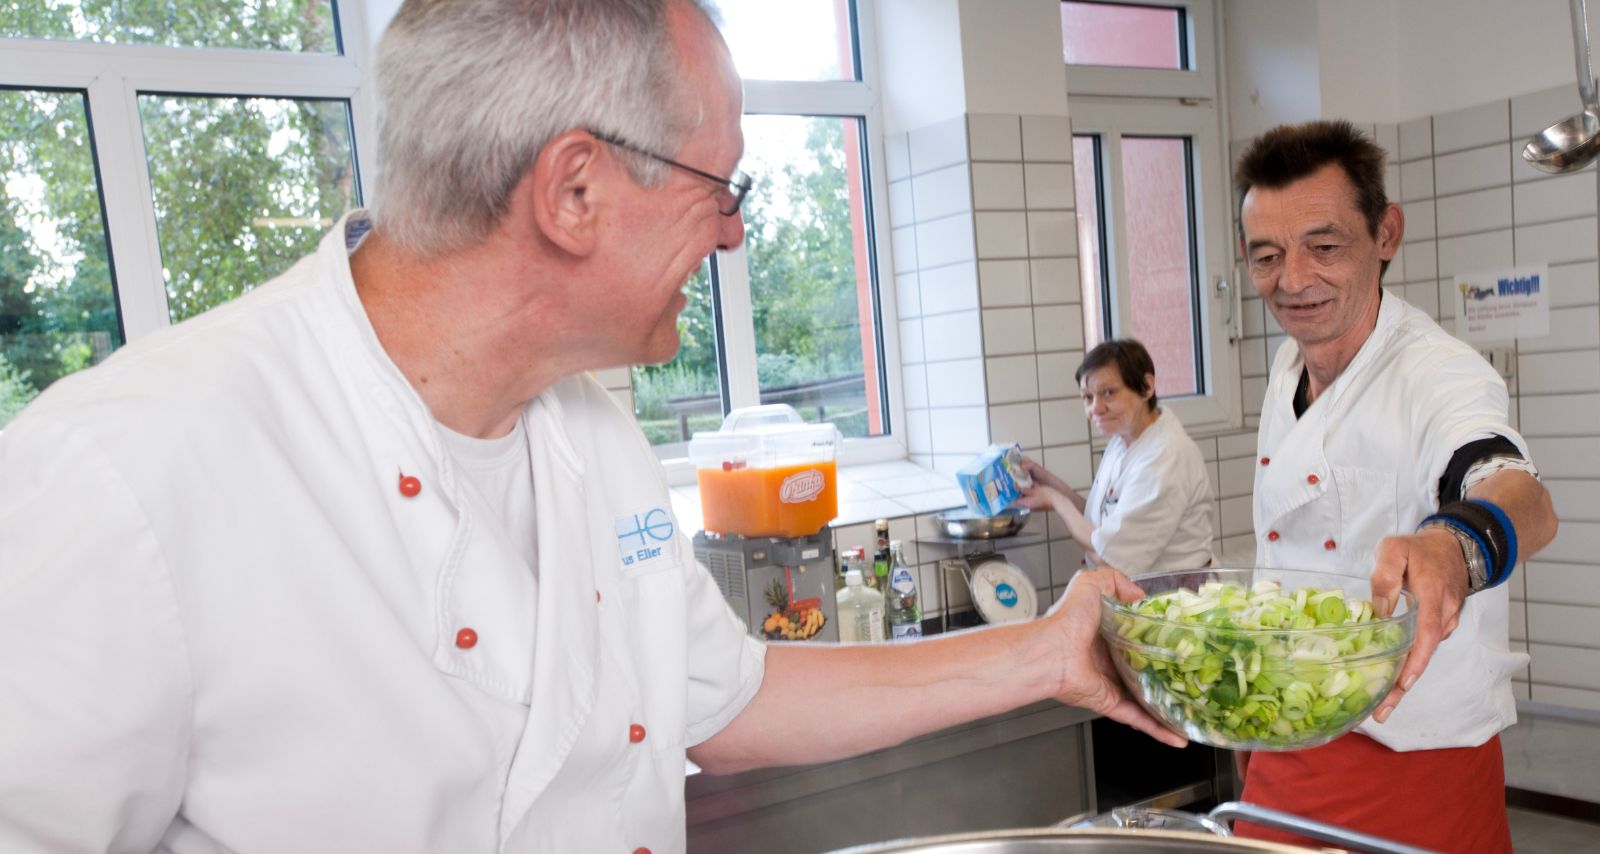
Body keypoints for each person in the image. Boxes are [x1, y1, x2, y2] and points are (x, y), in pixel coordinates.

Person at [0, 2, 1182, 852]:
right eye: (721, 187)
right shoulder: (124, 470)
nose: (734, 234)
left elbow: (724, 699)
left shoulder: (591, 430)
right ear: (574, 192)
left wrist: (1042, 653)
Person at [1230, 119, 1558, 853]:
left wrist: (1454, 545)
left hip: (1412, 757)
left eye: (1324, 247)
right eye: (1267, 256)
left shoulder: (1439, 372)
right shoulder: (1289, 365)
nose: (1293, 280)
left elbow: (1520, 493)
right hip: (1289, 733)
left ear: (1385, 234)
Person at [1018, 339, 1214, 574]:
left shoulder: (1165, 456)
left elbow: (1109, 557)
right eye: (1087, 397)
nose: (1096, 408)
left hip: (1175, 593)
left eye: (1108, 393)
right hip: (1137, 589)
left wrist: (1054, 500)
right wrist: (1045, 481)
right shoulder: (1123, 440)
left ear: (1146, 387)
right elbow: (1101, 520)